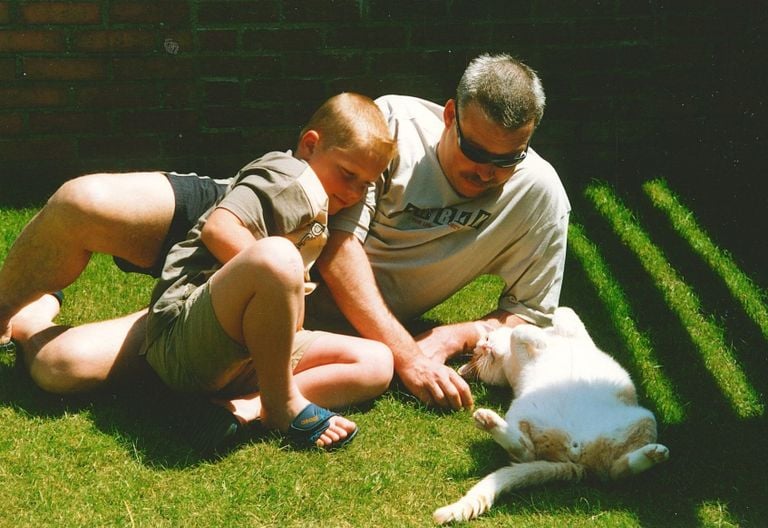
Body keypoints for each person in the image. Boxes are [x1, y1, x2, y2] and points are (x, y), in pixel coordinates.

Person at [1, 53, 569, 414]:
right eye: (474, 152)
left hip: (276, 297)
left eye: (506, 160)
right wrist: (405, 353)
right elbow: (338, 245)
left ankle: (42, 326)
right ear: (450, 115)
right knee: (83, 200)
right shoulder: (392, 125)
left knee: (65, 368)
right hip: (263, 222)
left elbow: (529, 313)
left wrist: (448, 338)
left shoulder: (541, 197)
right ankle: (4, 310)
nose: (485, 172)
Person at [2, 92, 397, 450]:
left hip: (247, 348)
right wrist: (287, 278)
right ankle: (282, 406)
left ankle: (243, 407)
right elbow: (220, 227)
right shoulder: (286, 176)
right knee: (277, 258)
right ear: (310, 146)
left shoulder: (322, 203)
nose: (354, 193)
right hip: (186, 329)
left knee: (378, 361)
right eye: (348, 175)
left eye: (366, 185)